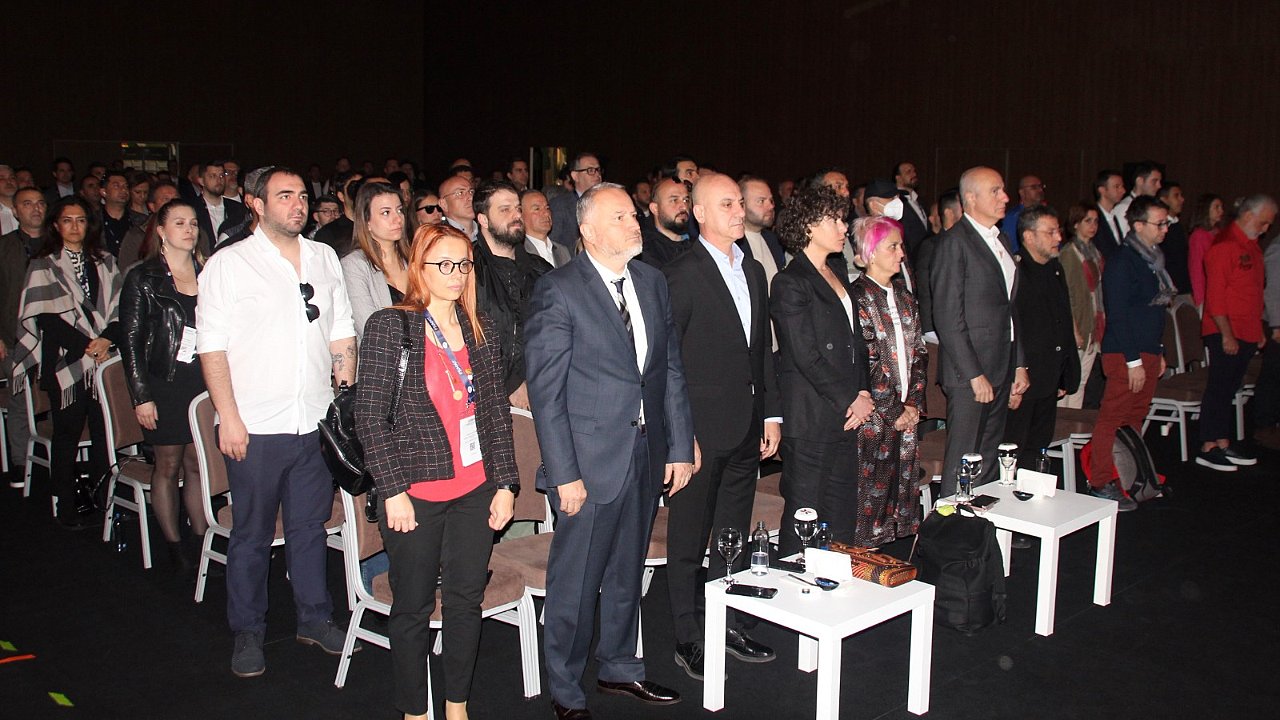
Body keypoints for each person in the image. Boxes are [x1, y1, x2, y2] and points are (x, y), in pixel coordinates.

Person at [525, 182, 693, 718]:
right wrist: (564, 473)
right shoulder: (559, 290)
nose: (633, 222)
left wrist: (679, 444)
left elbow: (668, 369)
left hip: (644, 452)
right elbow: (546, 394)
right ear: (589, 231)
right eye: (619, 217)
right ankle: (566, 690)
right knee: (575, 583)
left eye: (631, 214)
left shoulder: (651, 281)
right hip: (588, 463)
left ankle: (620, 668)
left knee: (626, 571)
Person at [196, 167, 358, 678]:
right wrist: (228, 417)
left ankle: (314, 617)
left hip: (314, 420)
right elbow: (211, 347)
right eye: (284, 196)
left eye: (302, 196)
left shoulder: (323, 256)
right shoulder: (229, 264)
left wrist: (344, 394)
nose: (298, 205)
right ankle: (248, 630)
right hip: (256, 425)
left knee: (309, 528)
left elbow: (340, 328)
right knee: (253, 534)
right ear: (256, 203)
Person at [355, 223, 518, 720]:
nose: (455, 274)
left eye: (463, 264)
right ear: (418, 268)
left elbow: (495, 413)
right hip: (415, 490)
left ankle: (457, 706)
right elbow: (370, 417)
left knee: (466, 602)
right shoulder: (391, 326)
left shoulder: (479, 326)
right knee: (413, 607)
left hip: (475, 487)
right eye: (443, 264)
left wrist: (506, 483)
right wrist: (392, 490)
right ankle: (414, 710)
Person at [662, 174, 780, 680]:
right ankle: (688, 637)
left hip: (747, 425)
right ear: (700, 213)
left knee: (732, 535)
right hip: (699, 433)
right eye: (726, 203)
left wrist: (771, 413)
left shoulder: (752, 269)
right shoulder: (679, 274)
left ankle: (726, 623)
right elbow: (666, 362)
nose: (738, 211)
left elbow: (761, 350)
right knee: (688, 539)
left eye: (739, 202)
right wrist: (679, 434)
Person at [771, 185, 873, 555]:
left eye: (843, 219)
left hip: (846, 412)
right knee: (804, 515)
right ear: (809, 226)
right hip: (812, 415)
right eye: (835, 220)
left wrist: (863, 393)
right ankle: (791, 582)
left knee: (841, 513)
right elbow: (804, 355)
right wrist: (850, 398)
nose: (844, 227)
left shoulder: (838, 271)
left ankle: (835, 582)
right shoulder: (790, 281)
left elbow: (856, 343)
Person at [10, 196, 122, 529]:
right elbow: (45, 317)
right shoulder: (43, 265)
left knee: (104, 435)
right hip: (67, 363)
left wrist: (106, 340)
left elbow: (120, 308)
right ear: (56, 226)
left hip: (104, 361)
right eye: (68, 220)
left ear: (89, 225)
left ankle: (103, 500)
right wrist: (88, 346)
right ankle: (66, 505)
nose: (75, 226)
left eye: (81, 220)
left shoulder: (106, 261)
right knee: (67, 435)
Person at [119, 198, 210, 571]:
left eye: (193, 223)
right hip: (164, 382)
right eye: (179, 223)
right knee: (168, 464)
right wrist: (141, 396)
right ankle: (174, 546)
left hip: (203, 380)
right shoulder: (143, 277)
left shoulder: (208, 272)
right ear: (160, 230)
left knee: (198, 463)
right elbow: (131, 342)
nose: (189, 230)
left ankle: (202, 540)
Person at [931, 167, 1028, 495]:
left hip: (1000, 364)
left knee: (988, 456)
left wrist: (1019, 363)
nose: (1005, 197)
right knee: (963, 458)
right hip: (969, 372)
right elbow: (948, 318)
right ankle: (948, 522)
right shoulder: (954, 243)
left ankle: (977, 521)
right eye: (995, 191)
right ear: (970, 198)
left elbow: (1010, 310)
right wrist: (974, 374)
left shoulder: (1000, 239)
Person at [1088, 196, 1174, 511]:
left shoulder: (1153, 260)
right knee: (1112, 418)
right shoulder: (1123, 262)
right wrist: (1134, 360)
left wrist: (1158, 352)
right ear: (1138, 225)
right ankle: (1100, 482)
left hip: (1147, 350)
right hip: (1125, 354)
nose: (1165, 229)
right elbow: (1119, 315)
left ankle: (1131, 477)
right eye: (1159, 223)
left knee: (1135, 417)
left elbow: (1154, 314)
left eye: (1167, 222)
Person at [850, 215, 925, 547]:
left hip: (904, 411)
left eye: (900, 246)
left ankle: (888, 558)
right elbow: (867, 359)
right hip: (874, 415)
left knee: (899, 488)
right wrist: (894, 410)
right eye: (892, 247)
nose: (901, 254)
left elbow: (919, 352)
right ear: (870, 252)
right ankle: (862, 556)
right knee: (869, 492)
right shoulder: (857, 297)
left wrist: (913, 404)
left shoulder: (905, 297)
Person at [1194, 194, 1276, 471]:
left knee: (1229, 389)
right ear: (1249, 216)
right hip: (1226, 330)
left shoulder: (1251, 246)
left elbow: (1253, 293)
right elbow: (1215, 297)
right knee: (1219, 388)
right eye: (1263, 222)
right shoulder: (1225, 246)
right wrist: (1226, 334)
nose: (1266, 228)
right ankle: (1208, 445)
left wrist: (1258, 329)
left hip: (1246, 329)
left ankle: (1222, 441)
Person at [1004, 206, 1080, 468]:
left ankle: (1032, 489)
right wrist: (1015, 373)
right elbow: (1011, 328)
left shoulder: (1055, 268)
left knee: (1038, 449)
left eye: (1058, 231)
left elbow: (1062, 320)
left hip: (1049, 376)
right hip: (1024, 379)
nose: (1059, 237)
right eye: (1050, 232)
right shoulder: (1015, 272)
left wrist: (1065, 372)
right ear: (1029, 236)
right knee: (1013, 448)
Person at [472, 180, 552, 410]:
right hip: (486, 399)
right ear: (483, 220)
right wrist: (511, 384)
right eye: (505, 209)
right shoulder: (467, 270)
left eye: (517, 208)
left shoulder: (541, 271)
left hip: (542, 392)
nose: (516, 215)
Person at [340, 182, 410, 336]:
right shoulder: (354, 265)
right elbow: (369, 326)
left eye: (399, 210)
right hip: (383, 348)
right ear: (367, 222)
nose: (398, 218)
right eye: (386, 212)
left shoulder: (413, 259)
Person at [1058, 203, 1106, 409]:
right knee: (1069, 381)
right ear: (1076, 224)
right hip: (1078, 322)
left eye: (1096, 221)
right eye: (1088, 221)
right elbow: (1065, 295)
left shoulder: (1094, 252)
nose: (1093, 226)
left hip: (1092, 321)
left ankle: (1073, 424)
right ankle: (1063, 424)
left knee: (1082, 381)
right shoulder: (1069, 253)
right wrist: (1073, 328)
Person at [1187, 193, 1225, 307]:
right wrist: (1200, 298)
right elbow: (1196, 268)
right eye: (1216, 207)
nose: (1221, 211)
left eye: (1221, 207)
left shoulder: (1218, 233)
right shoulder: (1199, 236)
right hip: (1206, 291)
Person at [521, 188, 571, 268]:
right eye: (537, 209)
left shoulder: (562, 251)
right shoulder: (519, 252)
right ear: (521, 216)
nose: (546, 213)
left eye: (547, 208)